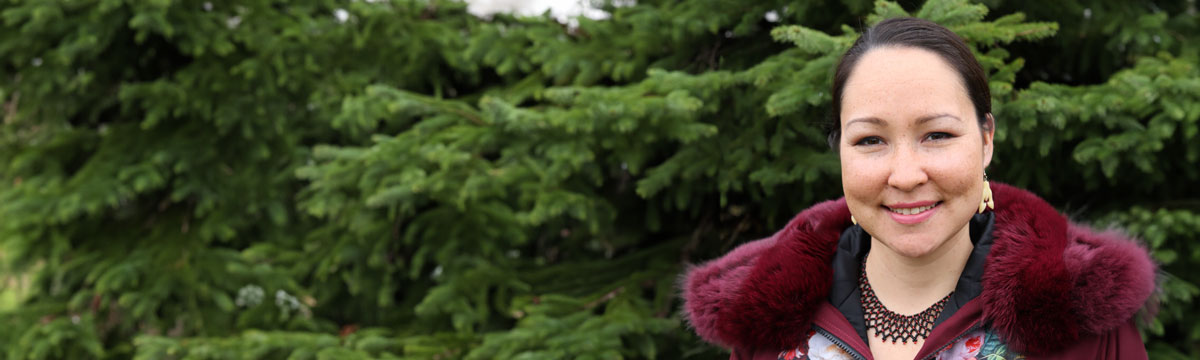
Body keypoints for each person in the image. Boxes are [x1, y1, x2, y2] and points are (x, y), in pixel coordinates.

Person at [681, 17, 1155, 360]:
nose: (905, 175)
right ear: (841, 151)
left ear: (986, 140)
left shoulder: (1084, 320)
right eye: (870, 140)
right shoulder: (766, 324)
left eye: (937, 135)